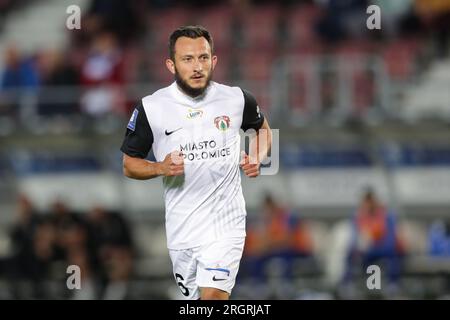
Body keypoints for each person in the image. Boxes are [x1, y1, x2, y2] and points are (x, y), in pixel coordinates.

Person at [120, 25, 272, 300]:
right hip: (182, 230)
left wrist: (257, 158)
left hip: (226, 225)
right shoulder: (151, 108)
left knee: (213, 298)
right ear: (171, 64)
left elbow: (262, 129)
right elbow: (129, 164)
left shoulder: (237, 99)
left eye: (203, 57)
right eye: (187, 59)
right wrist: (159, 167)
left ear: (214, 60)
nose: (197, 66)